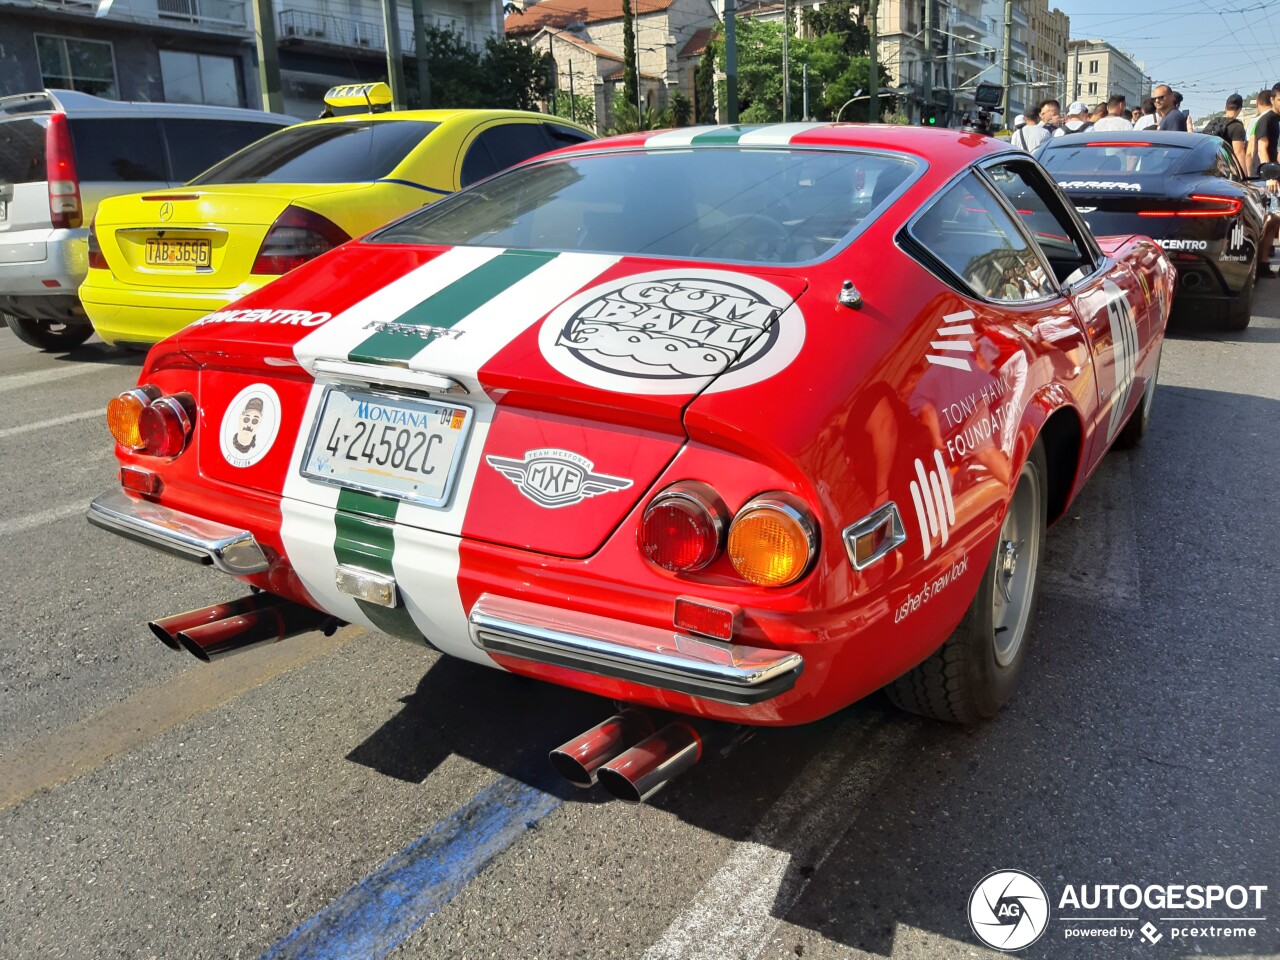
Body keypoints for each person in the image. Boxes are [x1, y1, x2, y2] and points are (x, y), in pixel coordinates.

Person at [1202, 93, 1249, 171]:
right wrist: (1244, 176)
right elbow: (1239, 153)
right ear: (1240, 109)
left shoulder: (1213, 122)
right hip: (1225, 169)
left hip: (1207, 166)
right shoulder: (1237, 126)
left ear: (1225, 107)